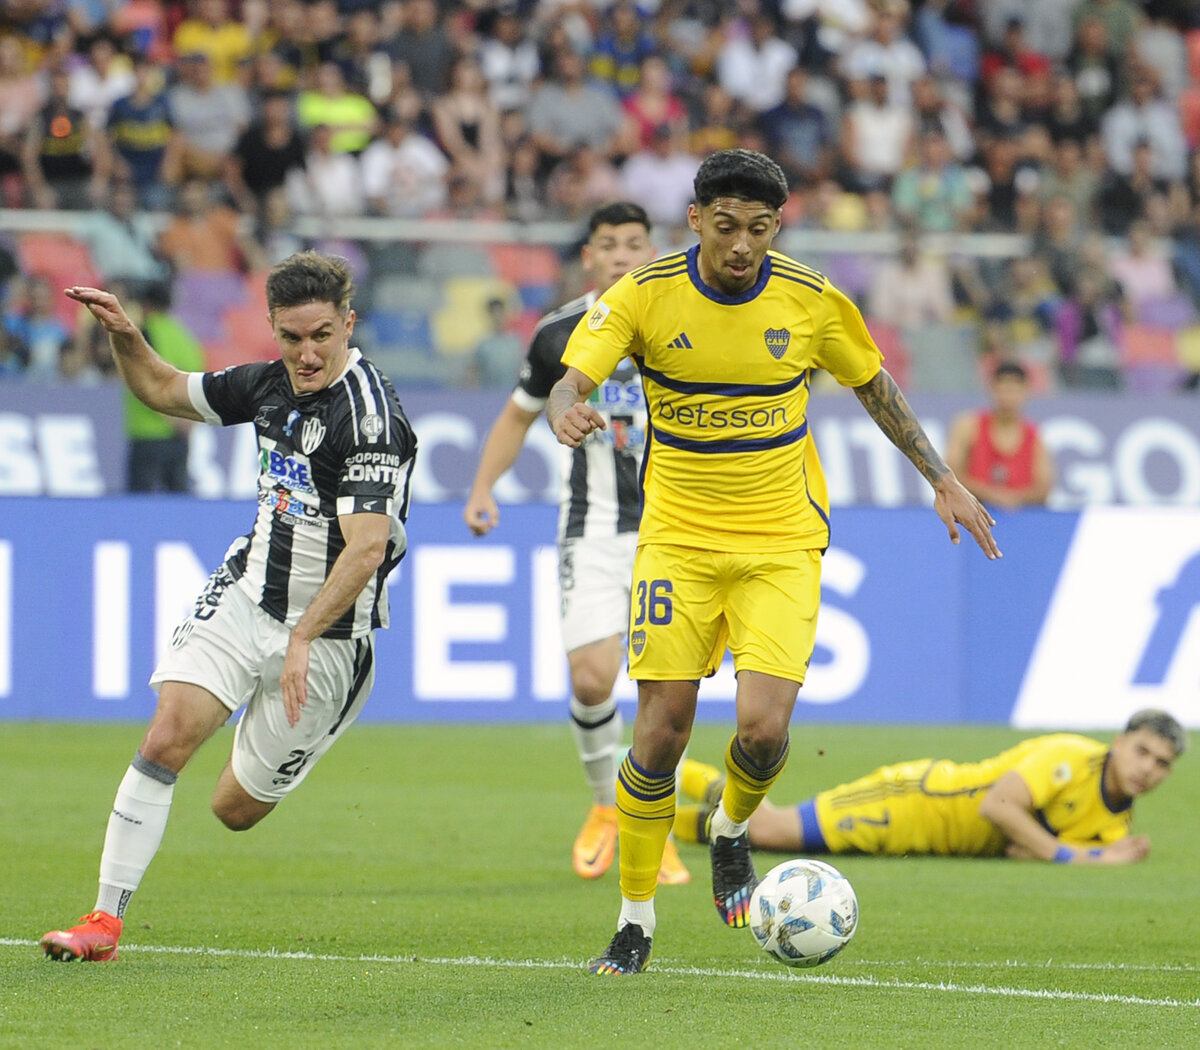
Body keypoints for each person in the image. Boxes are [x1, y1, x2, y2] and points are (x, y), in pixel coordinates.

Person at [545, 148, 999, 975]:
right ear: (695, 220)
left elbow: (875, 387)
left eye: (759, 228)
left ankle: (730, 827)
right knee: (660, 732)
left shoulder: (811, 298)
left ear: (777, 226)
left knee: (763, 730)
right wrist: (566, 408)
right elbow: (569, 381)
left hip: (781, 541)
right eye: (726, 226)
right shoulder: (643, 294)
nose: (742, 245)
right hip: (677, 542)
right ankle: (635, 919)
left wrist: (942, 478)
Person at [41, 250, 418, 962]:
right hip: (248, 595)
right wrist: (126, 335)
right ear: (273, 328)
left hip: (330, 639)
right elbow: (162, 388)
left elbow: (367, 548)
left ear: (348, 325)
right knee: (167, 736)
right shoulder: (269, 386)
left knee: (233, 809)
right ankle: (103, 923)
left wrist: (302, 639)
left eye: (321, 336)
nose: (307, 354)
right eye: (291, 337)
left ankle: (277, 725)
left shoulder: (370, 420)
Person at [463, 201, 688, 887]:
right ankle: (605, 808)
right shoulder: (558, 332)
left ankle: (653, 824)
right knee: (592, 678)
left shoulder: (684, 321)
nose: (621, 255)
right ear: (589, 257)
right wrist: (483, 487)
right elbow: (517, 416)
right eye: (609, 244)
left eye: (634, 243)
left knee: (666, 689)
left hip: (675, 532)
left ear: (652, 252)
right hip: (591, 528)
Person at [674, 708, 1187, 865]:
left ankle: (662, 820)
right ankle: (669, 777)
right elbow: (998, 806)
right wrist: (1086, 859)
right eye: (1142, 751)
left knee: (760, 834)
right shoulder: (1070, 756)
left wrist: (1077, 853)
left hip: (925, 838)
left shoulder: (1116, 822)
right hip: (913, 801)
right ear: (1120, 741)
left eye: (1162, 764)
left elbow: (1020, 848)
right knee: (769, 829)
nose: (1147, 769)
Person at [945, 360, 1055, 511]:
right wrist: (993, 496)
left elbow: (1044, 488)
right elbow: (950, 475)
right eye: (1003, 390)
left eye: (1013, 390)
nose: (1007, 397)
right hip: (973, 512)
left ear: (1026, 392)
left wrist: (1013, 499)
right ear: (992, 389)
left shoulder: (1034, 436)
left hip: (1019, 515)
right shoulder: (968, 426)